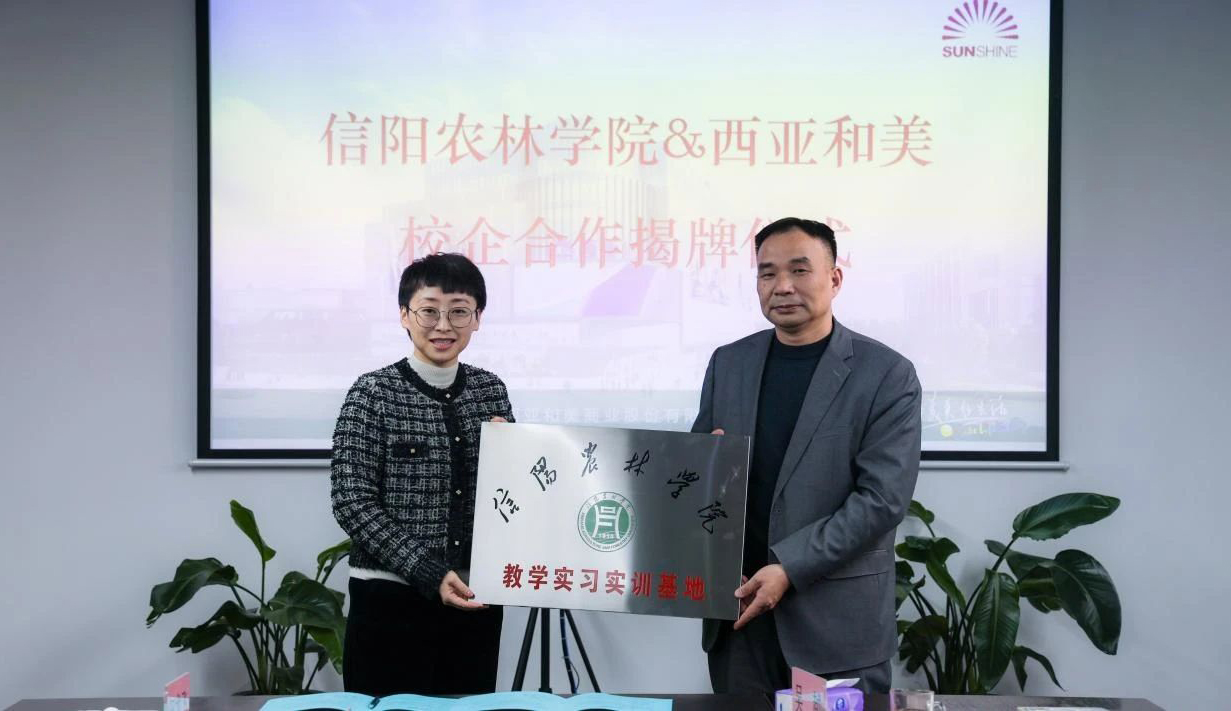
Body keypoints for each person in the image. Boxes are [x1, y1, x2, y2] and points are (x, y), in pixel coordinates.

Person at [692, 217, 922, 694]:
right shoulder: (728, 363)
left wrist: (789, 569)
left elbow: (881, 500)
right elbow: (695, 473)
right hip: (739, 616)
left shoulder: (886, 374)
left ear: (834, 279)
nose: (782, 286)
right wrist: (702, 467)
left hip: (835, 627)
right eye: (767, 273)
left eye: (799, 270)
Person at [331, 252, 514, 695]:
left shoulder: (491, 390)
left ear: (477, 318)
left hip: (473, 598)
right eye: (429, 311)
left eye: (459, 311)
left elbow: (509, 496)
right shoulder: (372, 392)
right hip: (389, 600)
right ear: (404, 315)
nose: (443, 325)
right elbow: (352, 502)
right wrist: (429, 571)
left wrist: (513, 457)